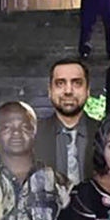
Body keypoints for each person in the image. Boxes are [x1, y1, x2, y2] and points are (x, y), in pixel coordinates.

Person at [35, 58, 100, 188]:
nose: (68, 91)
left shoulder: (106, 133)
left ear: (87, 90)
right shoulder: (33, 135)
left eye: (77, 83)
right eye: (60, 83)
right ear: (50, 90)